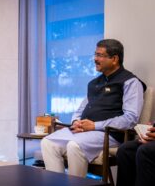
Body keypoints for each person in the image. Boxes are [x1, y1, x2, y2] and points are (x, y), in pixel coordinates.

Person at [41, 39, 146, 177]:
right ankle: (57, 185)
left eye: (100, 55)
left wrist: (94, 126)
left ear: (114, 59)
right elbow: (80, 109)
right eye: (95, 54)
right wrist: (76, 122)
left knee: (74, 145)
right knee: (47, 142)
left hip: (110, 134)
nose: (95, 59)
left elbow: (130, 118)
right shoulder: (94, 83)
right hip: (84, 131)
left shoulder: (130, 82)